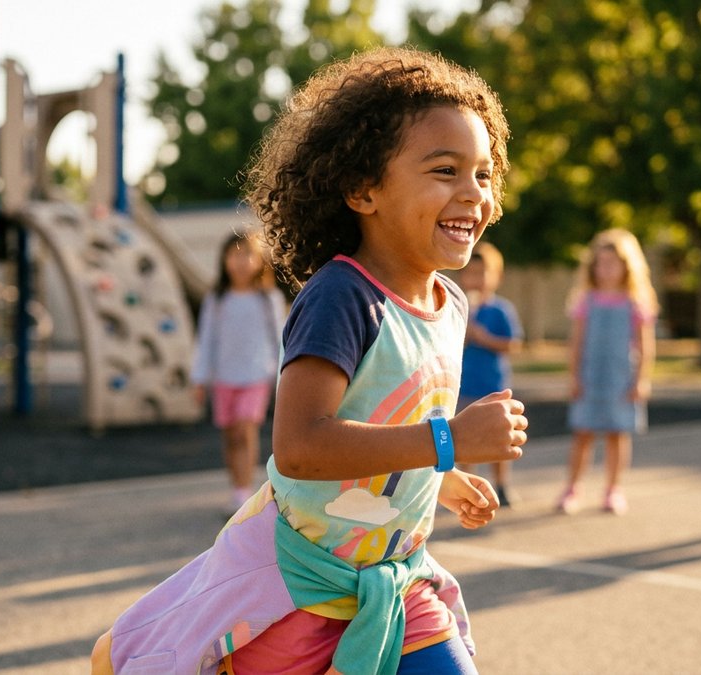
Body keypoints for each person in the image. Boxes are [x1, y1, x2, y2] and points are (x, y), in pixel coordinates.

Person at [91, 47, 526, 675]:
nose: (473, 194)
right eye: (445, 170)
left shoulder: (450, 302)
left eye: (483, 174)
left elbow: (384, 427)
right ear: (362, 189)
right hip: (299, 590)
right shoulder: (342, 296)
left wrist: (439, 477)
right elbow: (300, 447)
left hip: (395, 580)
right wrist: (446, 442)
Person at [555, 229, 657, 516]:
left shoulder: (635, 301)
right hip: (590, 377)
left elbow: (645, 346)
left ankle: (613, 489)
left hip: (620, 378)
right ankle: (572, 487)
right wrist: (574, 376)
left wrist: (641, 380)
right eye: (601, 263)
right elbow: (576, 343)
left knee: (617, 434)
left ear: (627, 266)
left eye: (613, 263)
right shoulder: (586, 301)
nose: (606, 269)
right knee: (583, 434)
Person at [191, 231, 287, 514]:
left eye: (248, 254)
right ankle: (236, 488)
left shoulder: (268, 298)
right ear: (224, 260)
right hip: (224, 377)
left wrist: (282, 378)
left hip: (256, 375)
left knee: (246, 430)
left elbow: (281, 338)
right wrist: (199, 378)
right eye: (235, 254)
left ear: (259, 261)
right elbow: (206, 338)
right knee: (231, 435)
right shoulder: (217, 299)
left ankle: (245, 492)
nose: (241, 261)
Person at [457, 242, 524, 507]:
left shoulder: (500, 310)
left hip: (493, 384)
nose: (477, 279)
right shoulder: (459, 307)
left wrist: (483, 337)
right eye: (471, 273)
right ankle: (467, 484)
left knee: (500, 437)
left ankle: (501, 484)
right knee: (465, 436)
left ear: (497, 277)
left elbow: (513, 344)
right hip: (464, 385)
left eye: (483, 273)